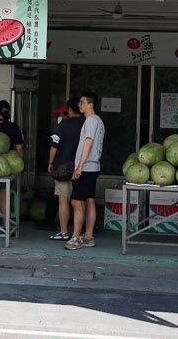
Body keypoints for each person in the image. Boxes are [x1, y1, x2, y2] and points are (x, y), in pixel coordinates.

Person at [65, 91, 105, 250]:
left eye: (82, 102)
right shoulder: (98, 121)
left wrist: (79, 166)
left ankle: (75, 237)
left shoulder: (90, 121)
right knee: (89, 201)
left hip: (86, 167)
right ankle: (88, 237)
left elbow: (88, 142)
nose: (79, 105)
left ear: (90, 105)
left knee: (76, 202)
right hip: (93, 167)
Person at [47, 97, 83, 241]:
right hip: (81, 167)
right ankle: (79, 232)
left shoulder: (63, 125)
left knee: (63, 200)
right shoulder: (86, 123)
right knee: (81, 201)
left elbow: (54, 144)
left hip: (63, 166)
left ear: (69, 109)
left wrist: (50, 162)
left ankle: (63, 232)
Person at [0, 100, 23, 232]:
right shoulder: (14, 127)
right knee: (4, 196)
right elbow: (19, 149)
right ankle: (6, 227)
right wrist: (19, 166)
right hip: (8, 166)